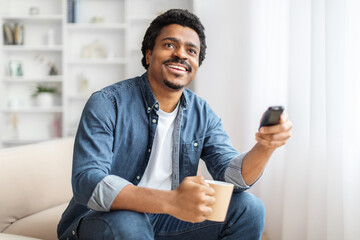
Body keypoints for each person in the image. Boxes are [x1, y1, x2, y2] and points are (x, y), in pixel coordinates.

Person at [57, 9, 292, 240]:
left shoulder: (202, 112)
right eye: (169, 45)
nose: (181, 55)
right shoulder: (107, 102)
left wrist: (265, 146)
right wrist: (172, 201)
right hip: (104, 218)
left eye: (191, 50)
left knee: (249, 208)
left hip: (167, 218)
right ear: (148, 55)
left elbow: (231, 177)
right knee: (130, 221)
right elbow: (88, 181)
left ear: (197, 63)